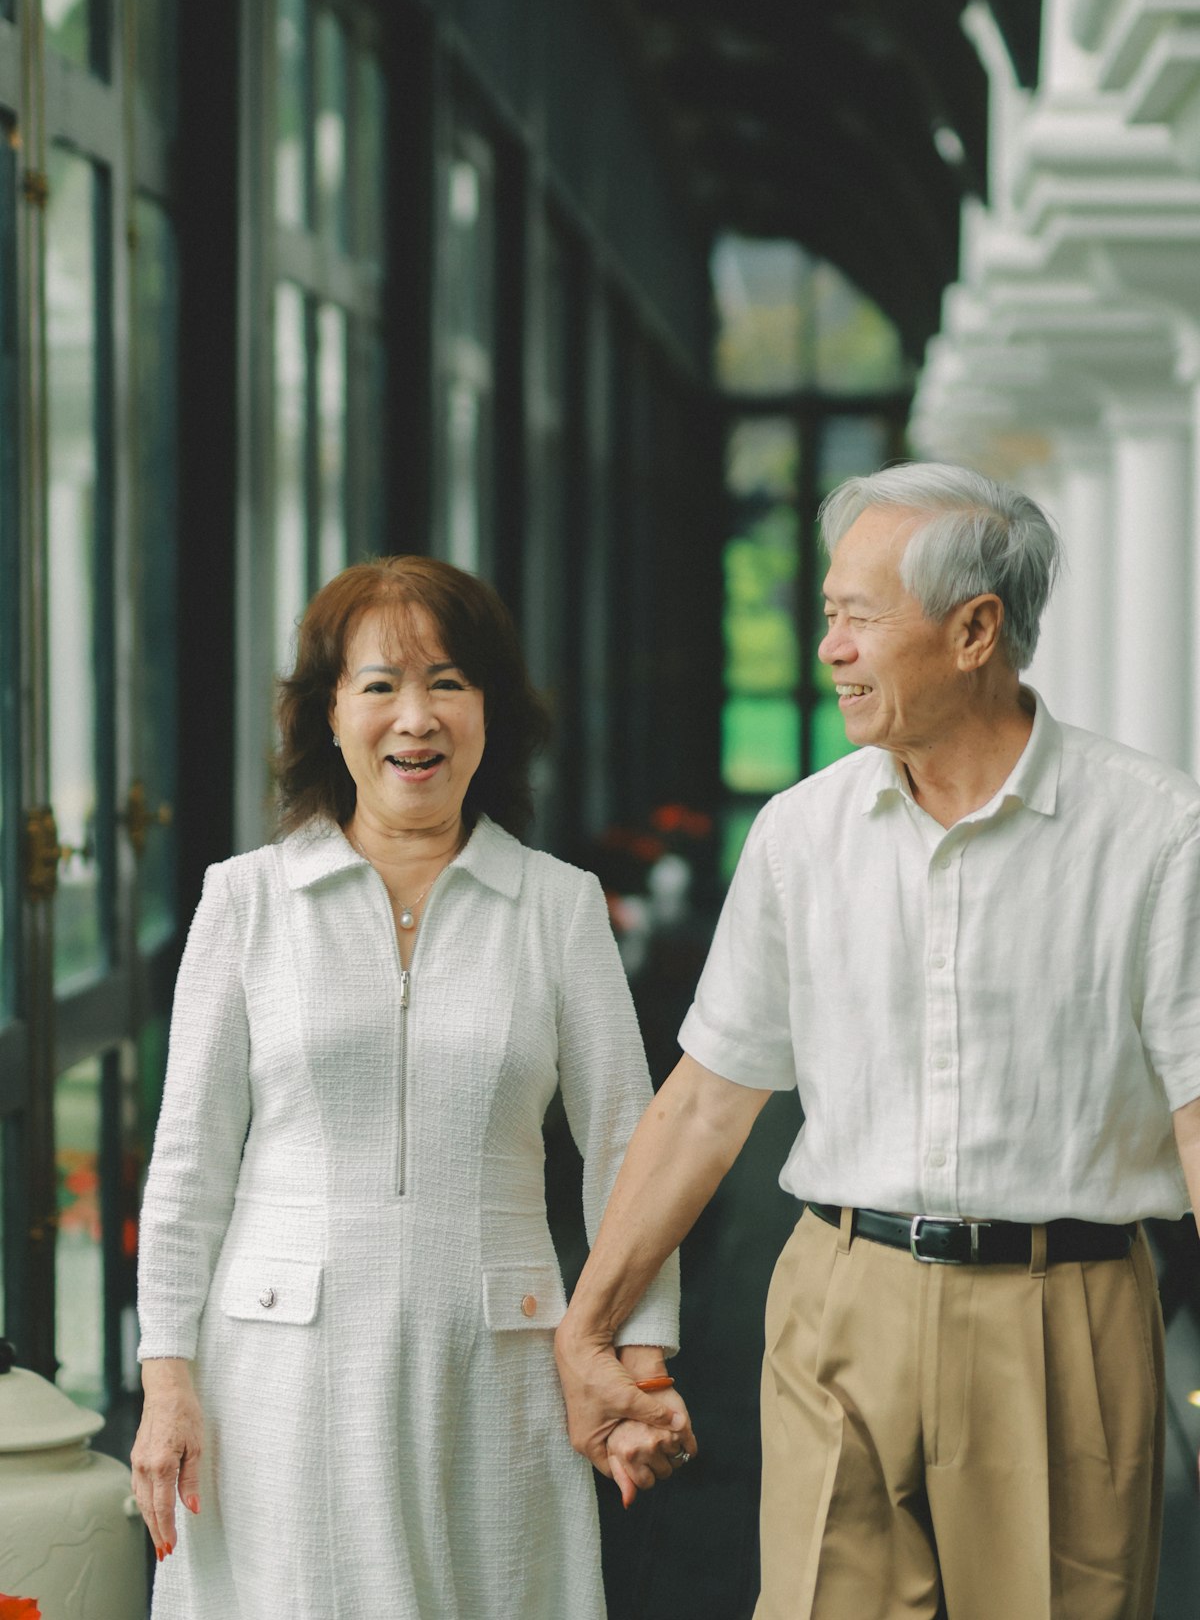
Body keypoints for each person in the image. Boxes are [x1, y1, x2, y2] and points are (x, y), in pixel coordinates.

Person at [555, 462, 1200, 1619]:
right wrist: (591, 1327)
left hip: (1063, 1315)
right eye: (828, 615)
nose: (830, 649)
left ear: (975, 631)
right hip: (838, 1302)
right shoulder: (801, 836)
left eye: (859, 617)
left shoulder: (1157, 836)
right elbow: (705, 1101)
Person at [131, 556, 685, 1618]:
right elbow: (189, 1163)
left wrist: (640, 1360)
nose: (415, 718)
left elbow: (630, 1151)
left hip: (495, 1371)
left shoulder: (558, 907)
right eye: (380, 684)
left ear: (490, 713)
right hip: (277, 1379)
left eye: (449, 683)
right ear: (330, 714)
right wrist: (167, 1382)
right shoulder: (246, 902)